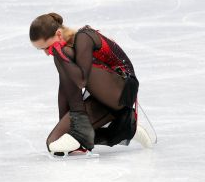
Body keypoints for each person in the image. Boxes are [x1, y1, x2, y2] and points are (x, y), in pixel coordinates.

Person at [29, 12, 153, 154]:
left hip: (121, 91)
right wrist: (65, 126)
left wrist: (58, 52)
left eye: (46, 48)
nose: (47, 53)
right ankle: (126, 129)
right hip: (101, 99)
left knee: (64, 54)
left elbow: (81, 80)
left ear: (58, 34)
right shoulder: (65, 53)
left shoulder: (84, 37)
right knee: (53, 142)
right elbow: (64, 90)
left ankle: (85, 127)